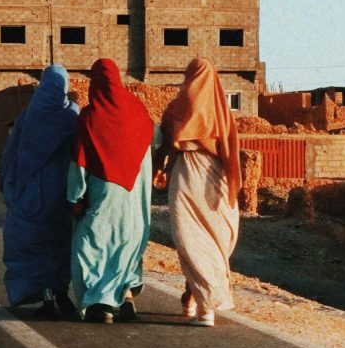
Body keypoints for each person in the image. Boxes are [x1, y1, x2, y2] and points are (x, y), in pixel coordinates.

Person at [68, 59, 160, 324]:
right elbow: (157, 137)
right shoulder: (137, 109)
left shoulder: (90, 116)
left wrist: (74, 196)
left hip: (104, 195)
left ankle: (101, 303)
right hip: (134, 198)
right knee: (126, 243)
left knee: (91, 245)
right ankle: (127, 293)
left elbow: (79, 162)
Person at [160, 57, 241, 327]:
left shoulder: (179, 105)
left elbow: (166, 138)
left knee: (191, 238)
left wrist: (159, 167)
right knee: (215, 242)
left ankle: (203, 306)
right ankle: (195, 297)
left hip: (189, 174)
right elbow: (232, 153)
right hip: (216, 178)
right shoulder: (223, 113)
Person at [0, 65, 80, 319]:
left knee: (33, 246)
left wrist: (8, 185)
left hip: (30, 193)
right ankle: (61, 294)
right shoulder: (72, 115)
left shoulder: (28, 116)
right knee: (60, 246)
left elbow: (11, 154)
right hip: (62, 194)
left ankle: (45, 298)